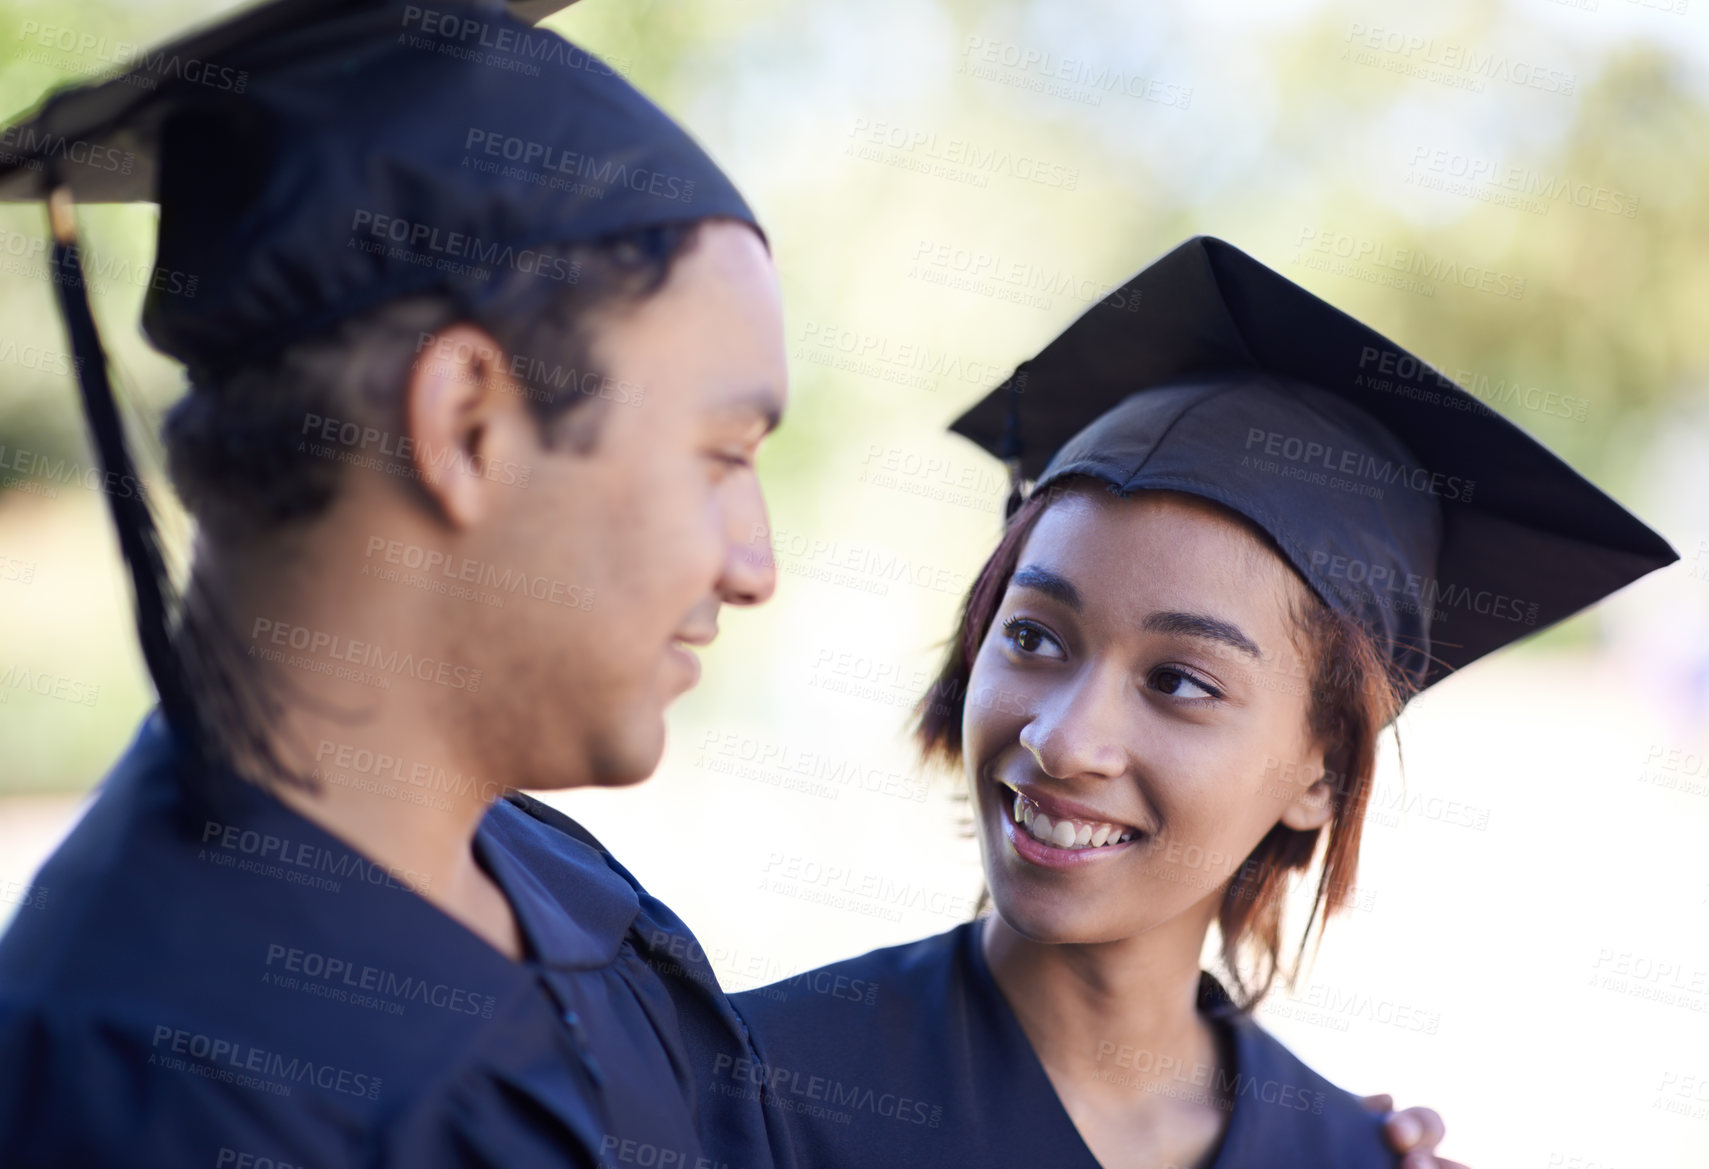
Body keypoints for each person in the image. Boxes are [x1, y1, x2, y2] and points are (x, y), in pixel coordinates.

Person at [0, 1, 792, 1166]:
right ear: (466, 426)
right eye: (721, 455)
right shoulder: (144, 1088)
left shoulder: (553, 882)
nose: (755, 564)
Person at [731, 236, 1677, 1168]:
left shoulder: (1344, 1159)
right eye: (1032, 635)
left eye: (1179, 680)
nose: (1063, 738)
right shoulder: (748, 1092)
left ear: (1325, 772)